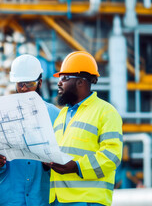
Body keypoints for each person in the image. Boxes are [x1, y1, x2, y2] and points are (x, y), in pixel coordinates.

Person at [0, 54, 60, 206]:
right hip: (9, 198)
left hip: (41, 197)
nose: (23, 89)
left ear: (40, 83)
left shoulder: (55, 116)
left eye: (29, 84)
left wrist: (52, 162)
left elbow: (65, 154)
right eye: (19, 84)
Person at [45, 51, 123, 206]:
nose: (59, 83)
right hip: (58, 200)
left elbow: (112, 156)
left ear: (81, 82)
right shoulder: (62, 115)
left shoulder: (106, 112)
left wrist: (77, 167)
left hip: (88, 201)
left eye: (64, 78)